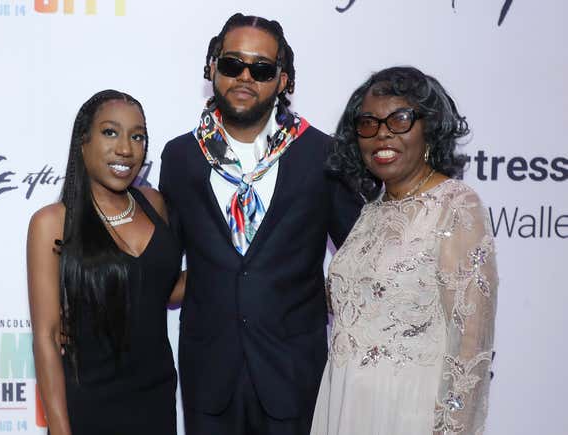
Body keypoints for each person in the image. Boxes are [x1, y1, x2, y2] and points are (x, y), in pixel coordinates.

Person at [158, 13, 362, 435]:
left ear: (283, 80)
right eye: (232, 64)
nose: (245, 77)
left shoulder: (322, 155)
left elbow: (365, 254)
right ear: (212, 67)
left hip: (293, 373)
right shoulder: (179, 157)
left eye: (262, 69)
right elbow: (158, 262)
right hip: (209, 375)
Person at [310, 66, 498, 435]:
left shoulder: (455, 206)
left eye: (399, 120)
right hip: (344, 404)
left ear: (428, 127)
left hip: (406, 411)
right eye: (368, 123)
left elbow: (471, 348)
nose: (382, 133)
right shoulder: (372, 210)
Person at [27, 89, 182, 434]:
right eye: (110, 132)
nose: (126, 148)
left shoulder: (153, 204)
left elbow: (162, 290)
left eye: (137, 136)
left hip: (156, 400)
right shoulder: (51, 222)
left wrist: (232, 268)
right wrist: (60, 429)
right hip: (90, 405)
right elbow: (48, 336)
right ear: (83, 142)